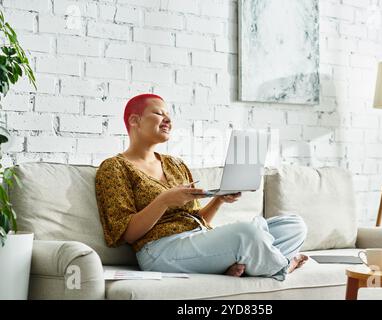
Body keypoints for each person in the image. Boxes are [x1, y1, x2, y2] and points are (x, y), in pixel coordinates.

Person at [95, 93, 308, 280]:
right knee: (247, 233)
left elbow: (200, 219)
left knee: (293, 225)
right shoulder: (115, 167)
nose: (168, 119)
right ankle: (283, 266)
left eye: (169, 114)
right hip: (160, 250)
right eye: (159, 114)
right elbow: (126, 234)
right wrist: (164, 200)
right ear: (135, 120)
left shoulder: (175, 164)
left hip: (197, 238)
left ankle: (242, 265)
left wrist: (219, 199)